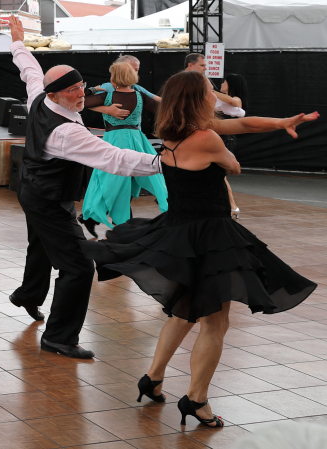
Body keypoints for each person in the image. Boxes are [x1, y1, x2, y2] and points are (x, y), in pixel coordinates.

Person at [81, 70, 318, 425]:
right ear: (198, 99)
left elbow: (244, 125)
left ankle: (154, 378)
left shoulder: (177, 132)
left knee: (183, 310)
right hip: (209, 237)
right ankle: (197, 400)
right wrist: (229, 159)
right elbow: (233, 167)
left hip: (181, 232)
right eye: (210, 91)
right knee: (215, 323)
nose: (216, 94)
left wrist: (281, 122)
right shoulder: (206, 138)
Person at [7, 16, 162, 359]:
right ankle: (59, 337)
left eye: (82, 87)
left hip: (34, 190)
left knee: (43, 245)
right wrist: (164, 163)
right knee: (78, 266)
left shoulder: (40, 96)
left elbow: (30, 69)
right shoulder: (67, 133)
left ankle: (27, 295)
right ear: (55, 94)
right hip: (48, 198)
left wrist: (18, 41)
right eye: (72, 91)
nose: (82, 94)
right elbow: (114, 159)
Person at [80, 62, 167, 237]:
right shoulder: (140, 95)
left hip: (115, 140)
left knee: (106, 178)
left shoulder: (107, 96)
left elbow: (80, 101)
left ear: (115, 78)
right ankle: (123, 221)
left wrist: (94, 90)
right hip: (136, 139)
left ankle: (95, 217)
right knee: (153, 174)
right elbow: (161, 107)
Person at [215, 73, 249, 218]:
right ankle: (228, 206)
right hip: (218, 138)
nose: (222, 84)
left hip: (225, 140)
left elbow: (234, 102)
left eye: (225, 82)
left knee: (220, 175)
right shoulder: (220, 101)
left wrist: (209, 90)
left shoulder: (236, 100)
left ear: (232, 84)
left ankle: (232, 206)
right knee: (217, 175)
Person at [184, 53, 245, 118]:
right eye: (202, 65)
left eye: (225, 82)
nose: (205, 68)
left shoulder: (203, 80)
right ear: (190, 65)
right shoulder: (181, 82)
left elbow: (233, 102)